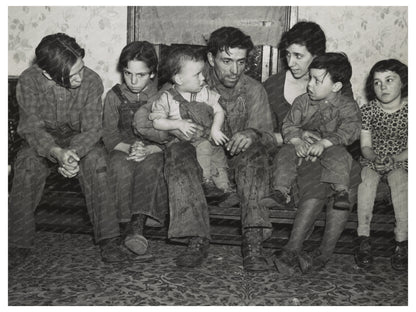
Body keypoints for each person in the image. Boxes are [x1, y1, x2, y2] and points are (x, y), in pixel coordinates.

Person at [134, 27, 277, 271]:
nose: (235, 70)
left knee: (255, 154)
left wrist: (252, 134)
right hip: (201, 164)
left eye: (241, 62)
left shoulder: (254, 90)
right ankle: (196, 238)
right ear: (211, 59)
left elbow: (270, 138)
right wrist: (175, 129)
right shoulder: (191, 75)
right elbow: (141, 120)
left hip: (239, 166)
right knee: (178, 151)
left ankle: (253, 242)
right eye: (227, 61)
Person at [8, 33, 139, 266]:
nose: (80, 77)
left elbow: (91, 129)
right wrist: (56, 152)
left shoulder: (91, 80)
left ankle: (109, 241)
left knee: (97, 162)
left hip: (80, 140)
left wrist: (72, 155)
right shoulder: (29, 81)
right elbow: (30, 128)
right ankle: (17, 244)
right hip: (41, 139)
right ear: (47, 74)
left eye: (81, 68)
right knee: (26, 165)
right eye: (72, 75)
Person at [262, 21, 361, 274]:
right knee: (318, 178)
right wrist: (297, 137)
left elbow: (346, 126)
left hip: (327, 151)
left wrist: (322, 139)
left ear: (316, 57)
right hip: (290, 155)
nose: (290, 62)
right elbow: (265, 134)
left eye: (298, 56)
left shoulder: (335, 82)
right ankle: (294, 250)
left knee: (349, 174)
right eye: (287, 54)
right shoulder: (273, 86)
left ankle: (322, 253)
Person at [263, 53, 361, 210]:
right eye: (310, 78)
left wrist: (324, 143)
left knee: (341, 156)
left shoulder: (348, 106)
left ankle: (341, 191)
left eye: (317, 81)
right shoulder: (302, 101)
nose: (309, 84)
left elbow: (351, 129)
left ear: (336, 86)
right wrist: (297, 141)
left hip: (331, 145)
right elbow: (289, 124)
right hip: (304, 143)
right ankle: (281, 192)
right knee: (285, 154)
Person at [102, 41, 168, 259]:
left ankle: (137, 227)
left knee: (150, 167)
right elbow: (110, 136)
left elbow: (169, 135)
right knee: (119, 166)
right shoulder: (114, 96)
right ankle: (123, 228)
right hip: (123, 147)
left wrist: (149, 149)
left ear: (152, 73)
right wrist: (131, 148)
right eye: (128, 73)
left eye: (140, 75)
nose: (133, 80)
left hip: (153, 148)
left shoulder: (163, 97)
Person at [149, 46, 232, 194]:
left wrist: (215, 129)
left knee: (218, 157)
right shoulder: (167, 98)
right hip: (183, 145)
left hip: (206, 136)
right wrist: (177, 124)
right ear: (179, 79)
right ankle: (205, 182)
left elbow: (219, 111)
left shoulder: (204, 93)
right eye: (197, 74)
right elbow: (157, 121)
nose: (203, 78)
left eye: (202, 73)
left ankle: (224, 189)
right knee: (204, 148)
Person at [355, 59, 408, 271]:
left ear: (403, 82)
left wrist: (395, 160)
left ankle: (402, 241)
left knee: (401, 182)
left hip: (402, 160)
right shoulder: (368, 111)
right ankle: (363, 238)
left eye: (389, 80)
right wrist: (375, 157)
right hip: (373, 158)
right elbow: (365, 146)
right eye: (377, 82)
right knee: (365, 181)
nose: (382, 87)